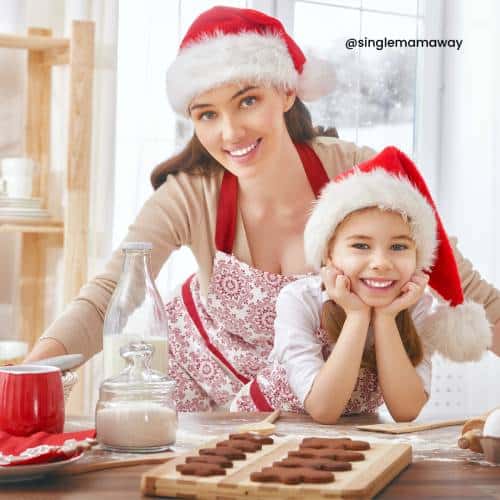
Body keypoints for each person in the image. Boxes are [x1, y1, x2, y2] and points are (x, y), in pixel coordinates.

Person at [25, 7, 500, 412]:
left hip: (324, 410)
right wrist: (30, 376)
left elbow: (468, 288)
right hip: (202, 404)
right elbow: (110, 292)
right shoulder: (189, 196)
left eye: (247, 100)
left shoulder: (360, 174)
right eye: (207, 113)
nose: (230, 132)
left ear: (287, 92)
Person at [231, 146, 492, 422]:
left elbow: (406, 411)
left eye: (399, 246)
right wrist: (357, 316)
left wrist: (386, 318)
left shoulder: (416, 306)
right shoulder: (298, 300)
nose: (380, 262)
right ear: (329, 253)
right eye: (360, 245)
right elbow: (323, 409)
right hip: (265, 426)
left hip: (347, 436)